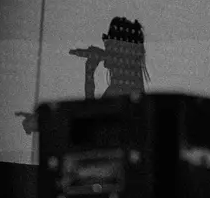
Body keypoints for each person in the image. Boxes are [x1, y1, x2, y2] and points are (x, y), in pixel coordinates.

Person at [17, 16, 150, 134]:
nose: (106, 53)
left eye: (109, 47)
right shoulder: (126, 83)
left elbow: (90, 123)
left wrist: (89, 72)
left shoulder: (123, 87)